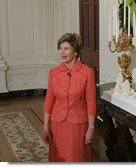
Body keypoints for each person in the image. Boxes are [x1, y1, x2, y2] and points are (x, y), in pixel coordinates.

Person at [43, 33, 97, 162]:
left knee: (77, 158)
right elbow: (49, 101)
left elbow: (91, 103)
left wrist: (91, 128)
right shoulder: (54, 73)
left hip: (78, 126)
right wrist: (45, 126)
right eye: (60, 48)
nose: (62, 52)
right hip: (57, 124)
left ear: (75, 51)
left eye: (66, 48)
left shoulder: (87, 73)